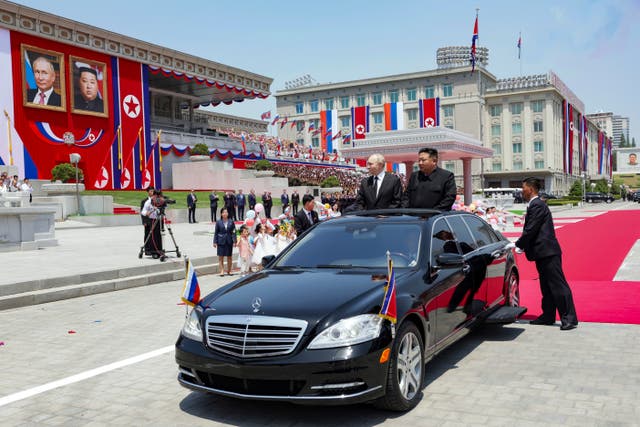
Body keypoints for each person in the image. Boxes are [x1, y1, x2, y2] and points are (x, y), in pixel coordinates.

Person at [515, 177, 578, 331]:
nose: (521, 191)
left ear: (530, 189)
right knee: (547, 286)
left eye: (523, 188)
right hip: (542, 252)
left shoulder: (537, 205)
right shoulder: (535, 204)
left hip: (548, 252)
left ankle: (569, 318)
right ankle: (548, 316)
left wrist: (518, 244)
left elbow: (531, 229)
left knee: (558, 285)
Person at [140, 190, 164, 259]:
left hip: (160, 220)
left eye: (158, 196)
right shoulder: (148, 202)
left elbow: (164, 207)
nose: (157, 197)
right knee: (153, 235)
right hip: (152, 220)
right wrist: (150, 211)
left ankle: (160, 250)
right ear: (153, 195)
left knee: (160, 235)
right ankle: (154, 252)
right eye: (156, 195)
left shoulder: (161, 200)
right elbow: (143, 211)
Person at [213, 207, 236, 276]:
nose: (225, 213)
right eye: (223, 212)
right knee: (221, 257)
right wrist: (215, 241)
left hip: (229, 240)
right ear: (221, 214)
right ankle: (222, 271)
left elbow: (234, 232)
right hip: (221, 241)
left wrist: (234, 240)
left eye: (226, 212)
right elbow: (216, 232)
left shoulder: (231, 221)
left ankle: (229, 270)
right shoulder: (218, 222)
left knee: (229, 256)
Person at [140, 187, 154, 253]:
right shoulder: (144, 201)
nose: (152, 192)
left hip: (155, 221)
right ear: (148, 192)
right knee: (147, 235)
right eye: (151, 191)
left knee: (155, 235)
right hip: (147, 221)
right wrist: (144, 222)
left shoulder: (156, 200)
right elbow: (142, 212)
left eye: (153, 191)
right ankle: (147, 249)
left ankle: (154, 249)